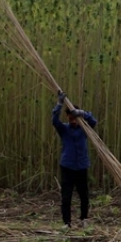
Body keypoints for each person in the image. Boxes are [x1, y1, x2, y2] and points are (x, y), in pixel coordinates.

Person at [52, 90, 97, 227]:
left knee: (84, 195)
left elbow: (93, 121)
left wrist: (83, 113)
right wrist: (59, 104)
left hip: (82, 166)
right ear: (67, 118)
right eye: (71, 119)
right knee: (66, 196)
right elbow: (54, 120)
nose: (73, 121)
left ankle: (84, 219)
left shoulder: (84, 128)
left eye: (75, 119)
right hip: (67, 166)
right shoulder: (64, 129)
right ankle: (67, 222)